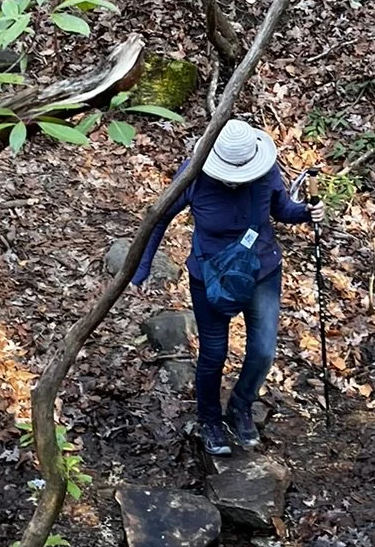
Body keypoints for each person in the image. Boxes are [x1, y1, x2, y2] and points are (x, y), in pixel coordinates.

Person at [132, 119, 320, 457]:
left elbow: (282, 210)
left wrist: (307, 212)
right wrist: (141, 267)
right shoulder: (194, 174)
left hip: (262, 270)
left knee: (263, 351)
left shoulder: (266, 172)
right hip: (211, 277)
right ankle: (210, 420)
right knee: (214, 354)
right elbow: (159, 216)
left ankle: (240, 406)